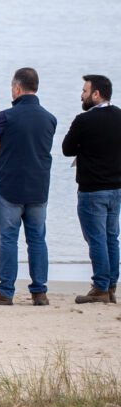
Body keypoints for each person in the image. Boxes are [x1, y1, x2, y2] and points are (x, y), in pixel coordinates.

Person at [0, 68, 56, 307]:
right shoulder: (49, 118)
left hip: (10, 187)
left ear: (16, 88)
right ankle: (40, 292)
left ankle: (6, 291)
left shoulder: (6, 116)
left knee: (8, 240)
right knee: (37, 240)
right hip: (38, 187)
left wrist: (3, 146)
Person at [61, 74, 121, 304]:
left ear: (96, 94)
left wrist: (84, 147)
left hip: (92, 188)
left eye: (85, 91)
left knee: (96, 239)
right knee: (111, 238)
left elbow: (67, 149)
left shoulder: (84, 120)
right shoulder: (119, 116)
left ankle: (100, 287)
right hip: (116, 187)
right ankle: (111, 284)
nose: (82, 95)